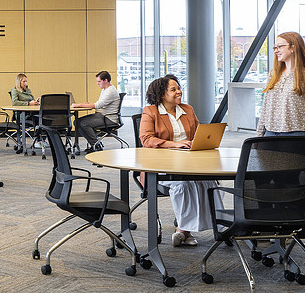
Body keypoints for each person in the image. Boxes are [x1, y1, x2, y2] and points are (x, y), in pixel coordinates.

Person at [139, 74, 224, 247]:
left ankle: (214, 227)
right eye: (173, 89)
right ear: (162, 94)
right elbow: (146, 139)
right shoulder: (151, 111)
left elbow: (198, 133)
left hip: (189, 161)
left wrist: (199, 142)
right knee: (184, 184)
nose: (179, 92)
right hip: (160, 165)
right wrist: (174, 145)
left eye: (179, 88)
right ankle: (184, 229)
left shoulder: (188, 109)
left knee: (209, 183)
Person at [73, 70, 121, 152]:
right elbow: (99, 104)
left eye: (99, 81)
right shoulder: (106, 89)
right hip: (102, 115)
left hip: (109, 118)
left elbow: (97, 105)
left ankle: (96, 145)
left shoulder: (110, 91)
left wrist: (79, 105)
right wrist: (87, 104)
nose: (97, 83)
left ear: (105, 80)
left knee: (83, 123)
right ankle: (95, 143)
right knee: (77, 122)